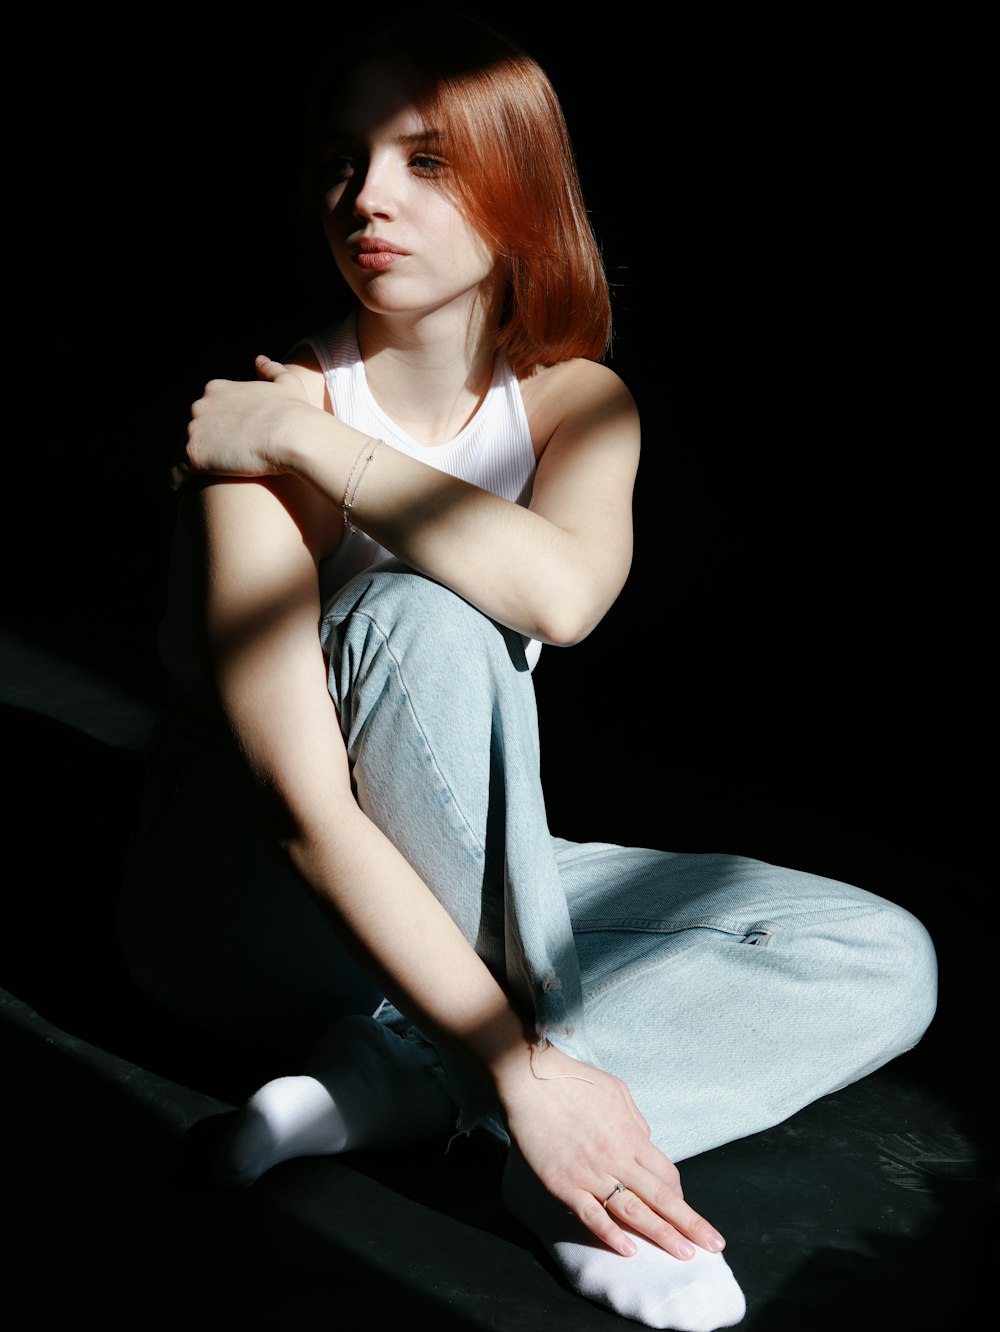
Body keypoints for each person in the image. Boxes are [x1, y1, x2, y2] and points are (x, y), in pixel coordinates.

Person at [117, 11, 938, 1330]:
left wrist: (337, 455)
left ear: (520, 190)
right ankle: (557, 1170)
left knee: (878, 954)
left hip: (436, 899)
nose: (365, 196)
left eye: (426, 160)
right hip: (247, 907)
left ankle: (399, 1084)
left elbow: (562, 590)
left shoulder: (570, 403)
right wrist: (518, 1064)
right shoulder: (260, 433)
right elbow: (305, 810)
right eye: (343, 159)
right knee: (423, 618)